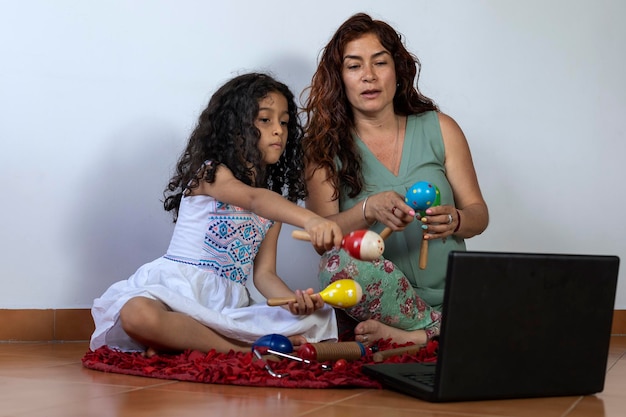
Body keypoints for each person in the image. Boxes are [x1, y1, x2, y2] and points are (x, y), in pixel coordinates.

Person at [90, 73, 344, 356]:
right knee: (138, 313)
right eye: (265, 120)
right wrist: (310, 219)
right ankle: (243, 351)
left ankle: (182, 343)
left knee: (320, 318)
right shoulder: (212, 174)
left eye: (284, 122)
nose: (279, 131)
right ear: (234, 127)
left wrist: (291, 302)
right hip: (178, 291)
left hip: (226, 305)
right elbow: (252, 198)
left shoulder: (273, 205)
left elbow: (264, 274)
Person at [302, 13, 489, 347]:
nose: (369, 76)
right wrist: (367, 209)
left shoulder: (441, 128)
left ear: (398, 71)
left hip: (452, 291)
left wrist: (457, 218)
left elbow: (479, 215)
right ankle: (436, 331)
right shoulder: (324, 149)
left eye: (380, 62)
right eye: (354, 66)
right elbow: (322, 239)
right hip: (383, 302)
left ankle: (419, 335)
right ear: (339, 78)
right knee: (335, 265)